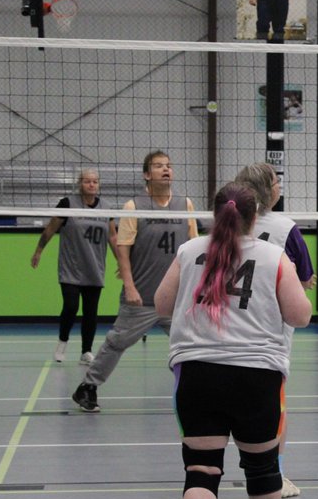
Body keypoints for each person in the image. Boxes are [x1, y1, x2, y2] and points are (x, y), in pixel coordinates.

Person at [154, 183, 312, 499]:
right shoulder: (274, 256)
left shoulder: (190, 252)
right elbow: (300, 316)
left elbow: (160, 304)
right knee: (261, 466)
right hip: (256, 376)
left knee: (201, 470)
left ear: (214, 213)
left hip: (197, 373)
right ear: (254, 216)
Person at [71, 151, 198, 413]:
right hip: (143, 296)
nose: (166, 170)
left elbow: (194, 248)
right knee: (117, 342)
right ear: (146, 174)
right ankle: (88, 386)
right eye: (159, 166)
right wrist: (129, 286)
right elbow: (123, 249)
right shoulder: (133, 206)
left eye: (169, 166)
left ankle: (198, 390)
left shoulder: (185, 204)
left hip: (175, 297)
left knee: (193, 342)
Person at [235, 162, 316, 499]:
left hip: (230, 325)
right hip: (271, 330)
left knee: (230, 403)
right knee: (272, 406)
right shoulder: (285, 228)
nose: (280, 186)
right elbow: (306, 277)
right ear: (268, 191)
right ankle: (275, 474)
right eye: (276, 182)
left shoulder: (225, 225)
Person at [30, 168, 116, 364]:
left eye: (95, 181)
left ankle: (86, 351)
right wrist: (38, 251)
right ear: (80, 184)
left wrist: (122, 262)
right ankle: (63, 341)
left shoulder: (107, 207)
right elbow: (51, 228)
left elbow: (112, 236)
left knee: (91, 312)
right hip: (71, 267)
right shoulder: (67, 203)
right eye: (87, 181)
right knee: (71, 306)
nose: (91, 184)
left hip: (94, 267)